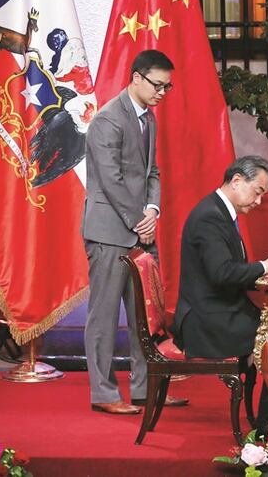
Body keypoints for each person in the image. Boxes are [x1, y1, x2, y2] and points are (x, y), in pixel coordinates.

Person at [173, 156, 268, 442]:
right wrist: (265, 266)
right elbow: (221, 273)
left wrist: (266, 271)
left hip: (222, 309)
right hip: (208, 319)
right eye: (257, 192)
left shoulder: (220, 212)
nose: (258, 202)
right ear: (237, 181)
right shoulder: (210, 217)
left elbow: (228, 272)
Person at [82, 50, 184, 414]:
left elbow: (152, 172)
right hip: (109, 232)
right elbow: (110, 180)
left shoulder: (148, 119)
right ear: (136, 78)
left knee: (146, 317)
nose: (162, 92)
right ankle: (104, 393)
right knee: (104, 317)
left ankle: (146, 388)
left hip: (141, 229)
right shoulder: (107, 119)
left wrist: (153, 211)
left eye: (167, 87)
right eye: (157, 85)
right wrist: (139, 221)